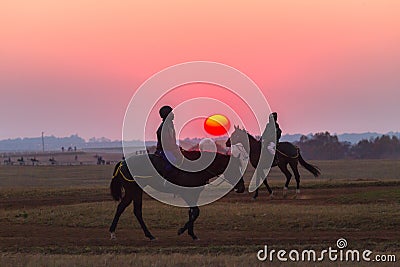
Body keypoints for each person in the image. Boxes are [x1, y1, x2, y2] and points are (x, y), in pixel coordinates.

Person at [155, 106, 181, 177]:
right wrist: (175, 148)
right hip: (165, 151)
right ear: (167, 114)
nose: (173, 114)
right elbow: (167, 143)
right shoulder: (165, 126)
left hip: (169, 149)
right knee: (174, 162)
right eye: (171, 113)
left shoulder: (169, 124)